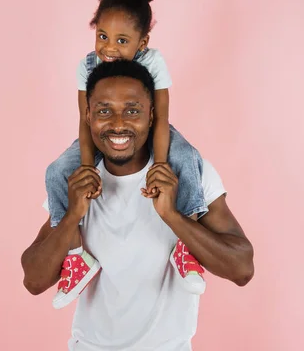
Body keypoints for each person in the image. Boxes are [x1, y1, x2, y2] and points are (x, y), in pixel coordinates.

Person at [21, 60, 255, 350]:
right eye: (105, 111)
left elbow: (242, 268)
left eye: (132, 111)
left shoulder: (190, 175)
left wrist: (172, 215)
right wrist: (72, 216)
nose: (118, 124)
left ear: (152, 115)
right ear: (88, 115)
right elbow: (34, 280)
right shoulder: (77, 183)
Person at [45, 0, 210, 309]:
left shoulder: (153, 62)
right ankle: (76, 258)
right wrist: (88, 169)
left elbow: (161, 119)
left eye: (122, 41)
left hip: (150, 129)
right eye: (102, 36)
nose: (109, 48)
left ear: (141, 44)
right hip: (107, 134)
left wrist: (161, 166)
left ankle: (187, 246)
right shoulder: (87, 66)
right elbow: (85, 120)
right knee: (56, 171)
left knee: (189, 158)